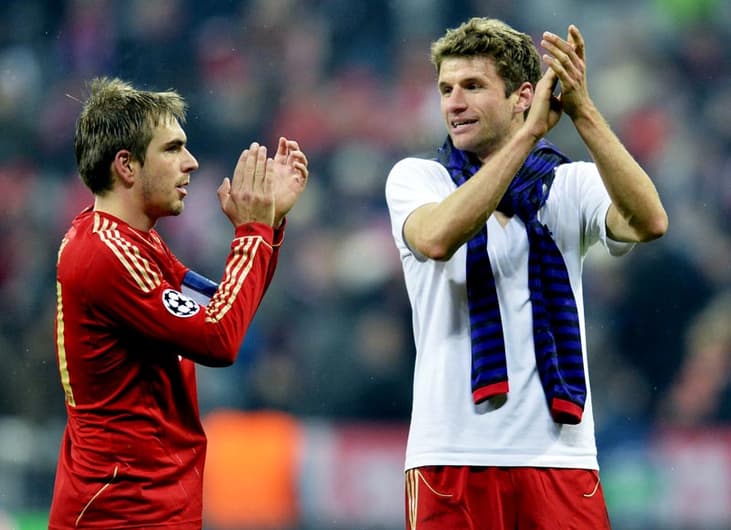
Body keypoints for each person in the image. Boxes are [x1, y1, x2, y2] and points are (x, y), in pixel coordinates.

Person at [385, 18, 668, 530]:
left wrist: (582, 110)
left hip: (560, 458)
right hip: (450, 457)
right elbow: (438, 237)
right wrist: (531, 133)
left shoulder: (568, 185)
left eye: (473, 86)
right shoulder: (418, 178)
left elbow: (650, 221)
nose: (453, 102)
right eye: (446, 88)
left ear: (522, 96)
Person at [49, 77, 308, 529]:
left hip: (151, 502)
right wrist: (252, 233)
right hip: (121, 510)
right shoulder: (104, 253)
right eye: (172, 149)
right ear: (126, 166)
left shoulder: (135, 242)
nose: (190, 163)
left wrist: (268, 224)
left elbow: (222, 307)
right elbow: (217, 339)